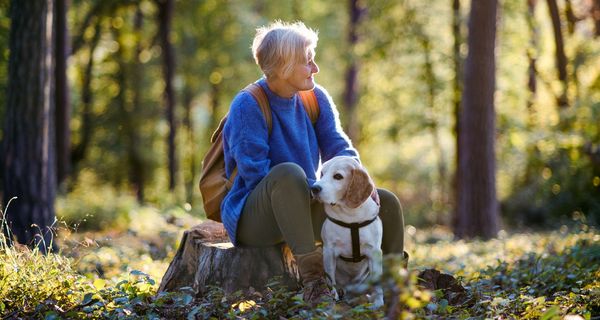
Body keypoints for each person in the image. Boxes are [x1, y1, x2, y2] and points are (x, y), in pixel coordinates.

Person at [221, 21, 405, 305]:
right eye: (308, 62)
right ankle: (315, 283)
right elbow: (255, 174)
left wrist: (360, 182)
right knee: (288, 174)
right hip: (256, 217)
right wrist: (316, 188)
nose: (315, 68)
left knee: (386, 202)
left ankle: (393, 287)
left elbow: (339, 147)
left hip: (306, 202)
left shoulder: (315, 97)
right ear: (284, 65)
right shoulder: (248, 105)